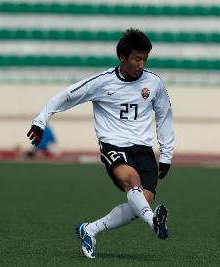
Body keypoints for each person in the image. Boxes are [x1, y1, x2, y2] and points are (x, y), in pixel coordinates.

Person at [27, 28, 175, 257]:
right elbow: (67, 96)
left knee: (143, 201)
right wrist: (40, 121)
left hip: (143, 149)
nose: (141, 63)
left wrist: (166, 155)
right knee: (132, 182)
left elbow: (165, 116)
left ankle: (91, 229)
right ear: (122, 57)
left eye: (145, 58)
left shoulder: (154, 83)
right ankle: (153, 221)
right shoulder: (102, 82)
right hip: (113, 145)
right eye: (137, 58)